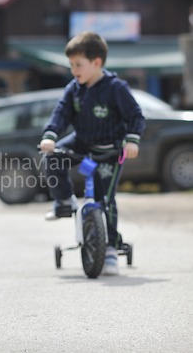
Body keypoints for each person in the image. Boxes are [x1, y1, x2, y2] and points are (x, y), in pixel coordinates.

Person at [39, 32, 145, 276]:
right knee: (52, 157)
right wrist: (50, 135)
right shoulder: (74, 89)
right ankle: (64, 200)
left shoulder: (115, 88)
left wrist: (132, 140)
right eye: (71, 65)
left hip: (110, 150)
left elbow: (135, 116)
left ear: (96, 63)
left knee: (104, 199)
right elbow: (60, 114)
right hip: (83, 141)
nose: (73, 70)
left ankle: (109, 249)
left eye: (78, 65)